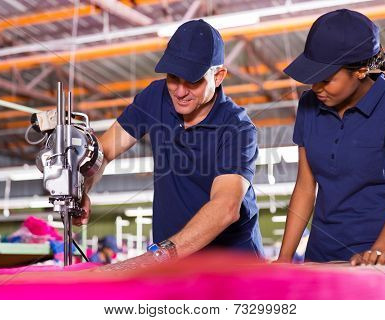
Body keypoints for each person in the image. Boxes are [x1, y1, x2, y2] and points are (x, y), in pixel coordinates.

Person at [74, 19, 264, 269]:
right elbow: (104, 151)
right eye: (173, 77)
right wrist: (83, 186)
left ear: (218, 76)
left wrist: (155, 258)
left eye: (193, 81)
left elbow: (225, 208)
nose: (180, 91)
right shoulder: (156, 96)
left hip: (233, 265)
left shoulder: (238, 129)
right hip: (176, 262)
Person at [278, 9, 385, 265]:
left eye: (326, 79)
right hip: (321, 257)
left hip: (382, 257)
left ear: (360, 71)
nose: (316, 88)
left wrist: (380, 251)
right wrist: (284, 259)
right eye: (312, 79)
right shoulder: (309, 106)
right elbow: (304, 187)